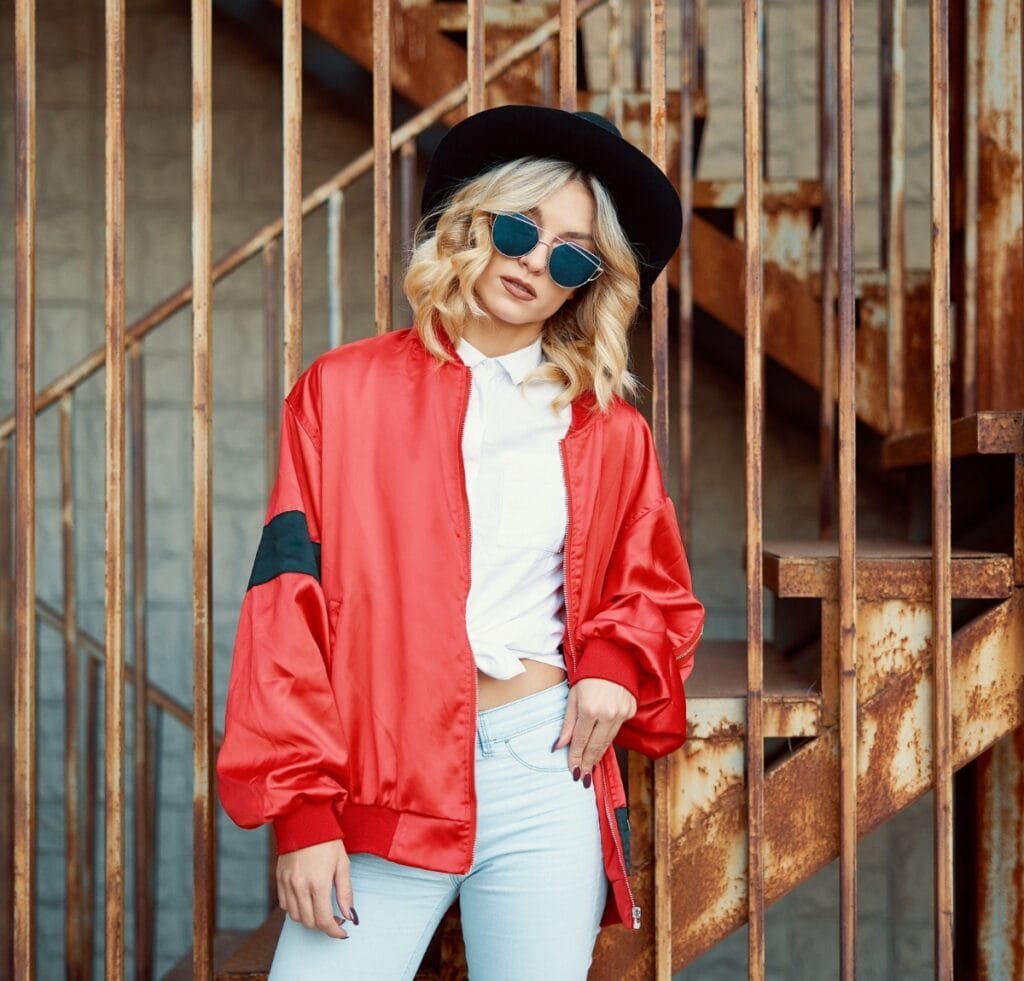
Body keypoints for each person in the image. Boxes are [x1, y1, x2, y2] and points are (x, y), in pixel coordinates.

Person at [216, 104, 705, 980]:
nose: (531, 260)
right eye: (518, 227)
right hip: (384, 776)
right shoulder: (342, 392)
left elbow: (655, 589)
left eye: (568, 253)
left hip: (544, 763)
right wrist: (302, 816)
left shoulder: (606, 427)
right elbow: (284, 609)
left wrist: (613, 666)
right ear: (470, 222)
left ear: (586, 283)